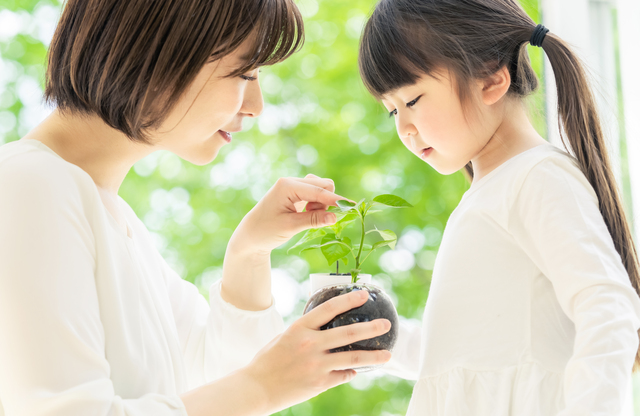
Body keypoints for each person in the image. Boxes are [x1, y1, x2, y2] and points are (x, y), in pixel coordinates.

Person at [0, 1, 393, 415]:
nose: (256, 106)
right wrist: (261, 388)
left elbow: (214, 379)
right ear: (162, 48)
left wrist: (249, 253)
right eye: (246, 73)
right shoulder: (30, 184)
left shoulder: (116, 221)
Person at [358, 0, 640, 415]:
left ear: (491, 79)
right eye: (391, 111)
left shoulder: (537, 177)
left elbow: (608, 306)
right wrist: (381, 335)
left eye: (413, 99)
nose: (403, 127)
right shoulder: (490, 194)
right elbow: (463, 364)